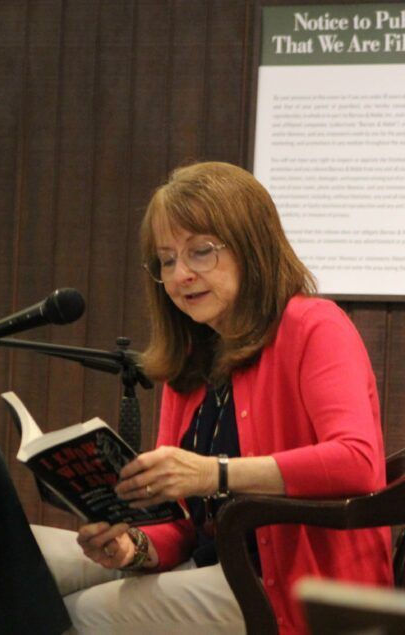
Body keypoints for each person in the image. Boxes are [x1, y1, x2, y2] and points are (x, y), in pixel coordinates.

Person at [32, 161, 391, 634]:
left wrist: (212, 473)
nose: (181, 275)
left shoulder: (315, 326)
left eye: (200, 252)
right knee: (15, 557)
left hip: (289, 584)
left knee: (81, 613)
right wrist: (134, 546)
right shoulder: (190, 356)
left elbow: (357, 461)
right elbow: (182, 522)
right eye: (167, 259)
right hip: (209, 566)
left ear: (252, 248)